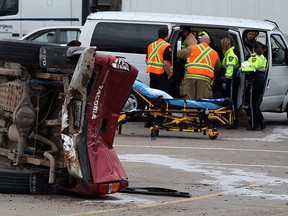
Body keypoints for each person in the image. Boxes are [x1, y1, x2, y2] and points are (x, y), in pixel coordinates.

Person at [145, 26, 173, 127]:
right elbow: (166, 63)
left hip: (152, 73)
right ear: (167, 35)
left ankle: (149, 120)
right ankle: (160, 121)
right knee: (162, 97)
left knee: (152, 97)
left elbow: (147, 60)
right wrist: (169, 74)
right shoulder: (166, 46)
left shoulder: (151, 45)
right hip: (161, 74)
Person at [179, 35, 221, 100]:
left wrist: (188, 57)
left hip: (189, 78)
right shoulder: (214, 53)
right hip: (204, 80)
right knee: (201, 103)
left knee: (188, 102)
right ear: (209, 42)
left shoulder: (191, 48)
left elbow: (179, 54)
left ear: (200, 41)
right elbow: (218, 68)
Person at [241, 41, 267, 131]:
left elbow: (253, 68)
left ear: (254, 49)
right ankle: (261, 120)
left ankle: (254, 125)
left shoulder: (254, 58)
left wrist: (243, 69)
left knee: (252, 104)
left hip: (255, 81)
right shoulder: (263, 58)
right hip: (261, 80)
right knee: (256, 104)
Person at [220, 36, 240, 128]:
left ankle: (233, 121)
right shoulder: (229, 53)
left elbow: (230, 68)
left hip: (231, 81)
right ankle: (229, 119)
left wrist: (226, 78)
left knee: (231, 100)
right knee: (229, 99)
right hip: (231, 80)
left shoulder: (230, 54)